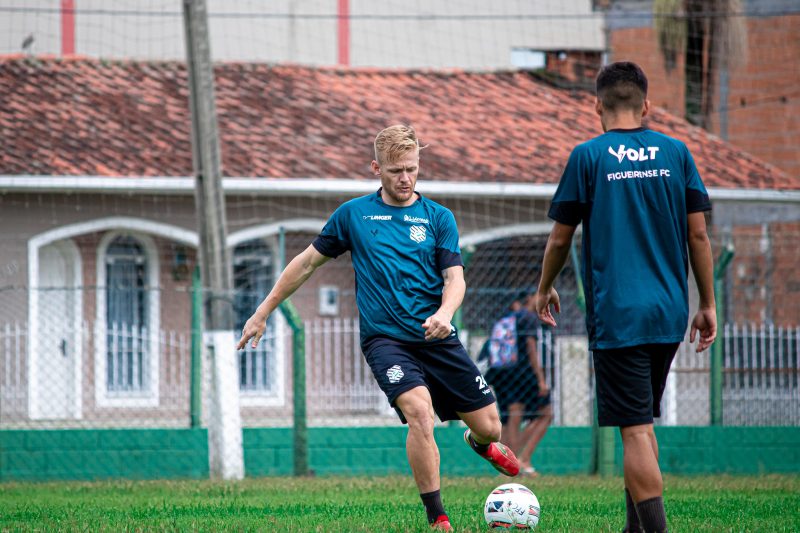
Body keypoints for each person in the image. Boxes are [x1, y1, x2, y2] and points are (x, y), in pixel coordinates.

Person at [237, 124, 520, 531]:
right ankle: (437, 517)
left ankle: (478, 443)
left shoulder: (438, 218)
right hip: (386, 341)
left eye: (411, 169)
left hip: (436, 334)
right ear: (376, 168)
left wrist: (445, 314)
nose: (405, 179)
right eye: (395, 171)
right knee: (419, 412)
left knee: (490, 426)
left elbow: (455, 278)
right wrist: (263, 311)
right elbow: (306, 263)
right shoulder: (353, 215)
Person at [531, 62, 716, 533]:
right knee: (643, 423)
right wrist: (708, 303)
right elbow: (699, 236)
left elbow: (558, 239)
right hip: (668, 310)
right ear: (647, 106)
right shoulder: (677, 152)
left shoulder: (589, 157)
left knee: (633, 429)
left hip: (619, 313)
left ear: (597, 105)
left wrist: (544, 286)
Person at [482, 292, 553, 477]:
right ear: (528, 299)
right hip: (523, 373)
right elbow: (531, 348)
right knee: (546, 413)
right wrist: (541, 379)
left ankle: (507, 464)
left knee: (509, 418)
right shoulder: (528, 317)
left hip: (500, 374)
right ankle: (520, 461)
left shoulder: (505, 319)